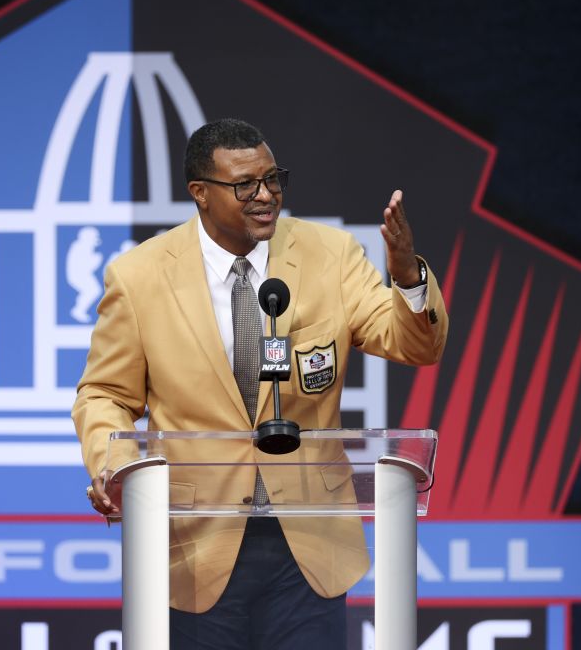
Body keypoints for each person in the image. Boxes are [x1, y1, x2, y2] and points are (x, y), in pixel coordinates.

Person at [71, 118, 449, 649]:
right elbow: (105, 395)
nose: (265, 195)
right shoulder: (139, 276)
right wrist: (115, 466)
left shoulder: (331, 255)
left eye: (274, 179)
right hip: (194, 544)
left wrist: (407, 278)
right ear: (200, 193)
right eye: (245, 184)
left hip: (310, 543)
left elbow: (415, 345)